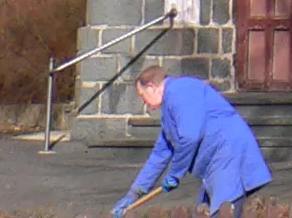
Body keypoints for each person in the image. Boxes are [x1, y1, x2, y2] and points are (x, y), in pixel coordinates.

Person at [112, 67, 273, 218]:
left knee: (222, 212)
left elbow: (190, 136)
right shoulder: (169, 109)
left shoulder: (180, 91)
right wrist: (133, 194)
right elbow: (160, 154)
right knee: (204, 212)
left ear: (152, 86)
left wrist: (175, 172)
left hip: (228, 155)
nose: (144, 102)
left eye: (142, 95)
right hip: (214, 164)